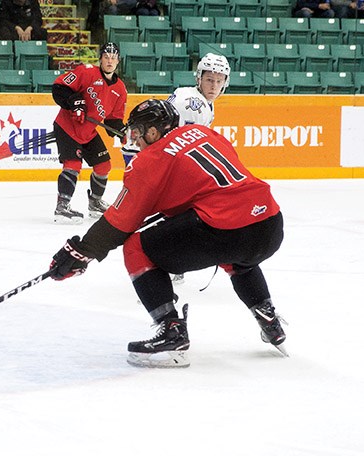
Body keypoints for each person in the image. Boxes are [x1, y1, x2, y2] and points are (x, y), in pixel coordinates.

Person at [49, 99, 286, 368]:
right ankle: (268, 317)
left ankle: (171, 329)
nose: (135, 140)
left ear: (153, 131)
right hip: (269, 223)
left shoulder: (149, 159)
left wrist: (82, 251)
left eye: (138, 132)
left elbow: (121, 221)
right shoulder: (204, 132)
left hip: (224, 229)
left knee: (137, 247)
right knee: (235, 253)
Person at [121, 52, 231, 285]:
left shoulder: (196, 99)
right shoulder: (194, 102)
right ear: (199, 78)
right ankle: (163, 264)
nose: (214, 85)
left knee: (176, 214)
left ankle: (166, 262)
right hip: (161, 163)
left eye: (219, 80)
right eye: (209, 79)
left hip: (158, 162)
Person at [51, 42, 127, 224]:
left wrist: (121, 130)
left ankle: (95, 203)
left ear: (118, 61)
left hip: (88, 131)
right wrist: (75, 102)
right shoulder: (86, 72)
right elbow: (59, 88)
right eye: (106, 57)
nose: (109, 61)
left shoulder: (120, 90)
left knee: (104, 166)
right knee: (73, 164)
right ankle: (62, 207)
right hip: (67, 126)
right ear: (100, 58)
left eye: (113, 58)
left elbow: (112, 120)